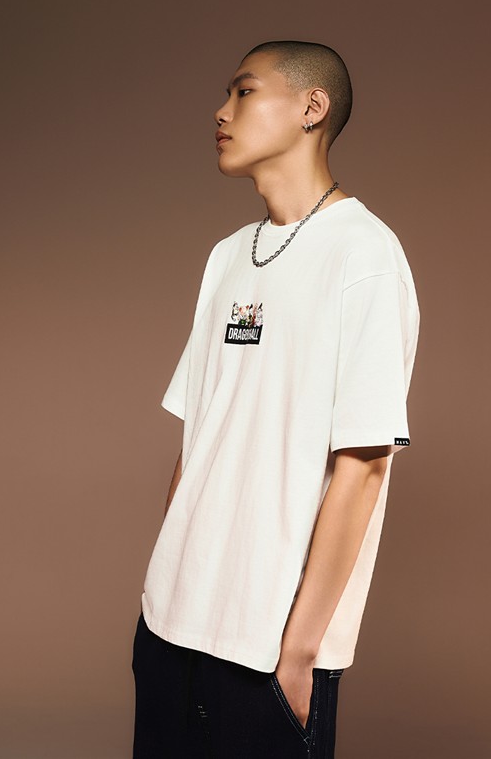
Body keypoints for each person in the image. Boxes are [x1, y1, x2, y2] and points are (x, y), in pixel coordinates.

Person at [131, 40, 420, 759]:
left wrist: (299, 652)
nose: (221, 111)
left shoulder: (365, 255)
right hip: (169, 628)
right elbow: (198, 440)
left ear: (311, 107)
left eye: (243, 92)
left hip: (266, 649)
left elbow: (364, 466)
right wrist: (162, 584)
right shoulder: (227, 255)